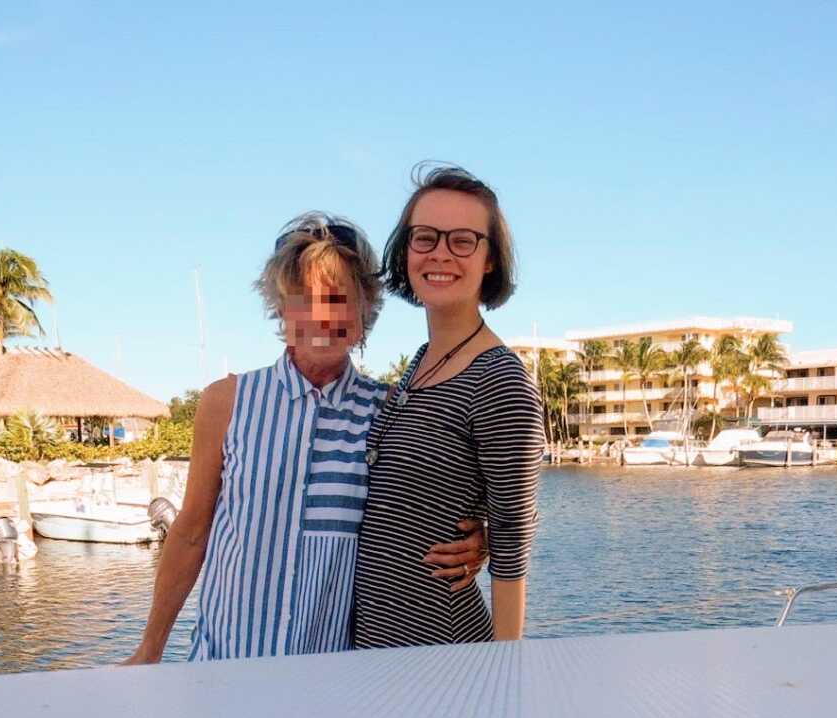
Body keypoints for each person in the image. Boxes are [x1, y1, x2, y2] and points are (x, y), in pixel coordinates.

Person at [125, 212, 486, 664]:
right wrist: (151, 646)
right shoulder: (227, 402)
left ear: (363, 312)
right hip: (224, 663)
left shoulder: (391, 408)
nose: (321, 316)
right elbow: (192, 532)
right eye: (304, 299)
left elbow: (431, 506)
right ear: (280, 307)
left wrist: (479, 537)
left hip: (332, 674)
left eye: (337, 299)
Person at [354, 166, 544, 648]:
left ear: (490, 260)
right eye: (425, 237)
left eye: (463, 240)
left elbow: (512, 537)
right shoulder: (422, 361)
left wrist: (507, 664)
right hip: (377, 648)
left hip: (443, 650)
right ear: (406, 250)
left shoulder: (498, 378)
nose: (440, 253)